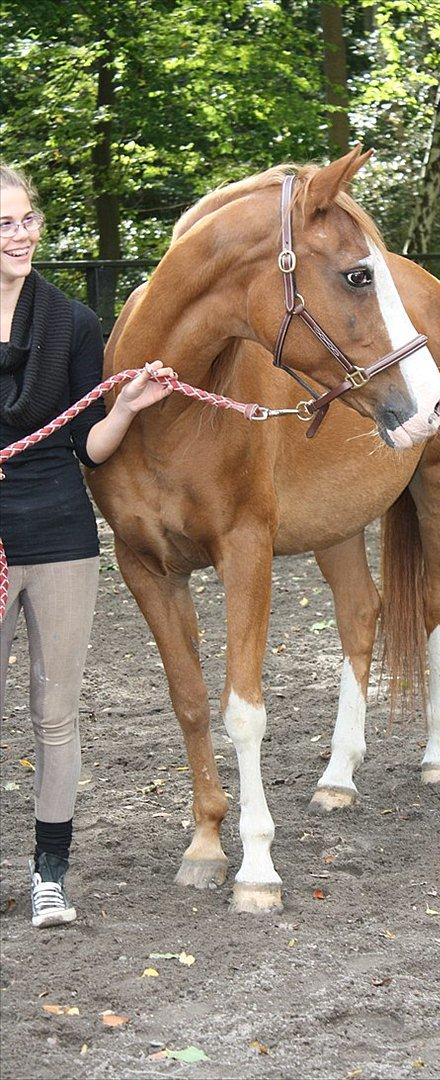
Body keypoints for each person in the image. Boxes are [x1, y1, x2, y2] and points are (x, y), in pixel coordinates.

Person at [0, 164, 176, 928]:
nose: (22, 234)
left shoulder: (71, 323)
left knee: (55, 712)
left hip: (59, 537)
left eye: (28, 219)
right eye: (5, 224)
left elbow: (89, 447)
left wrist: (128, 406)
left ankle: (50, 876)